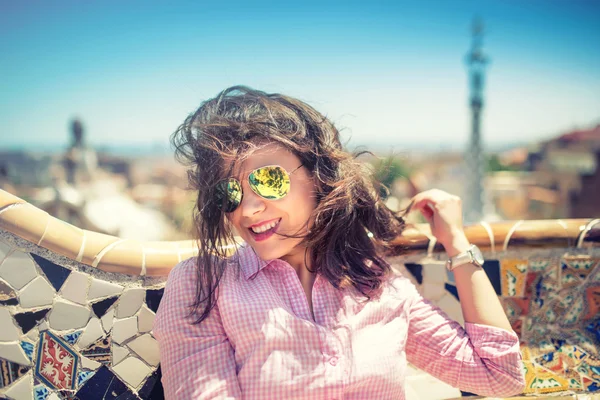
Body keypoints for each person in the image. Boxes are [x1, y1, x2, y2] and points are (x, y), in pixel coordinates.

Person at [153, 86, 525, 399]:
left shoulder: (378, 283)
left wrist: (457, 245)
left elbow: (499, 376)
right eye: (229, 193)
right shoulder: (205, 285)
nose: (248, 209)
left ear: (318, 178)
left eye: (268, 180)